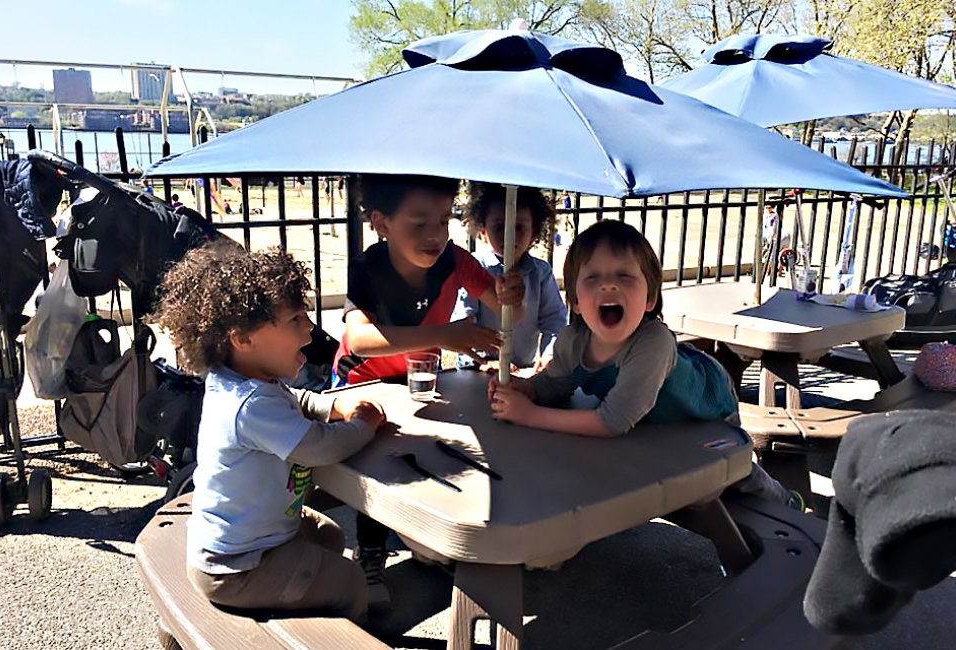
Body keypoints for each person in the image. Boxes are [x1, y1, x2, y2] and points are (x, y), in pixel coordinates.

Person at [488, 219, 800, 509]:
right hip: (650, 421)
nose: (608, 285)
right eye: (592, 276)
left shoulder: (653, 342)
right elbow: (554, 386)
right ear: (576, 302)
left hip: (702, 409)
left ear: (650, 298)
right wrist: (524, 389)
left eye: (624, 275)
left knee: (732, 469)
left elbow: (613, 422)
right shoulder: (573, 341)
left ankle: (784, 500)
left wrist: (529, 415)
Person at [153, 244, 387, 623]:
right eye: (295, 320)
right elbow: (318, 447)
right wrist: (364, 425)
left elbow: (292, 400)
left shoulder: (241, 381)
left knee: (329, 537)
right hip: (238, 568)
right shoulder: (250, 406)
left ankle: (297, 607)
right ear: (242, 339)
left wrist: (331, 406)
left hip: (245, 542)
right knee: (351, 582)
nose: (310, 328)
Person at [332, 173, 526, 608]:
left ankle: (426, 539)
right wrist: (444, 335)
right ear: (381, 223)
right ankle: (371, 556)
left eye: (444, 220)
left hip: (415, 380)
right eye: (420, 224)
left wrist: (513, 292)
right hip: (360, 382)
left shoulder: (455, 261)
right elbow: (360, 339)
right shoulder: (368, 268)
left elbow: (504, 304)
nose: (436, 234)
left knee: (433, 458)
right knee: (373, 473)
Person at [452, 183, 567, 372]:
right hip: (477, 370)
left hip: (522, 370)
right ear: (483, 231)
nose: (509, 235)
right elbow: (463, 324)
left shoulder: (541, 273)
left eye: (519, 227)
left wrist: (550, 354)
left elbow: (554, 321)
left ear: (534, 234)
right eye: (499, 227)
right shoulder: (475, 268)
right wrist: (484, 362)